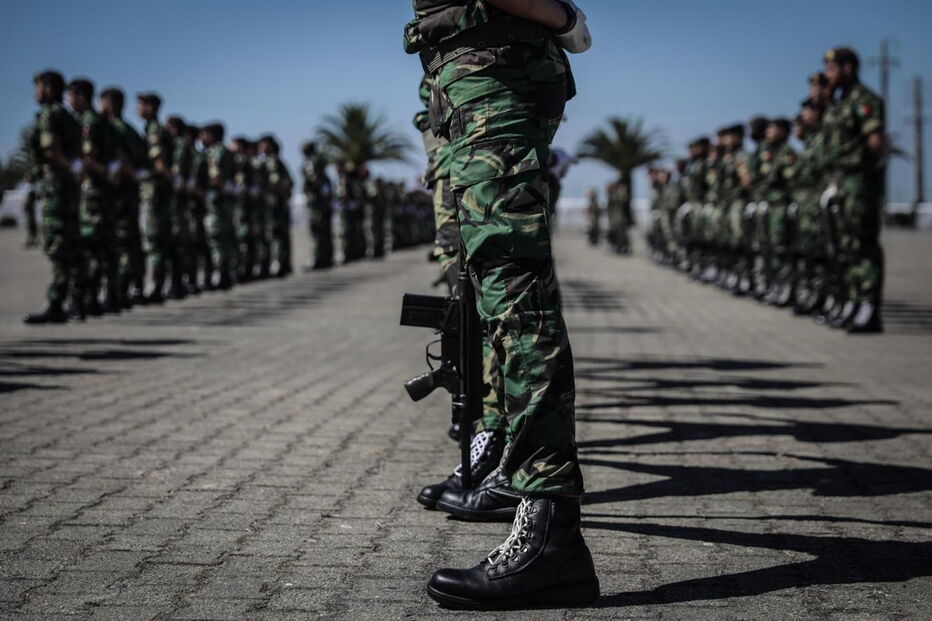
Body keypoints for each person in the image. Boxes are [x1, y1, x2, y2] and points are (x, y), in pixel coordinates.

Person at [404, 0, 598, 609]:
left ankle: (549, 530)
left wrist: (565, 20)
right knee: (498, 298)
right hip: (478, 86)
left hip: (495, 84)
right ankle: (526, 492)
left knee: (517, 302)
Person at [821, 46, 885, 333]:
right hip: (840, 183)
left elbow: (876, 143)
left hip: (858, 182)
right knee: (846, 247)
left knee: (862, 245)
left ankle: (869, 308)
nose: (827, 75)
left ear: (848, 68)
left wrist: (867, 176)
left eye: (832, 69)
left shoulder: (864, 99)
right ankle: (854, 302)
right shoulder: (838, 104)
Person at [23, 70, 81, 324]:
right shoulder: (68, 116)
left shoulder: (50, 115)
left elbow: (51, 150)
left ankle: (57, 302)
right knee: (71, 243)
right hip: (69, 188)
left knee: (57, 245)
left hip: (56, 187)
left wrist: (66, 168)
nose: (36, 92)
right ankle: (76, 298)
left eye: (38, 86)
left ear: (48, 88)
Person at [67, 78, 120, 315]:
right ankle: (105, 296)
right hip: (106, 192)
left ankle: (85, 299)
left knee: (89, 246)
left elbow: (88, 158)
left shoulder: (88, 122)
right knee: (105, 247)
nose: (69, 100)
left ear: (80, 96)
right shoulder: (105, 123)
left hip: (93, 192)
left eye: (71, 95)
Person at [101, 87, 148, 306]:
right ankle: (132, 287)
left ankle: (119, 290)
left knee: (119, 242)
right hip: (130, 193)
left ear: (109, 104)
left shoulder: (114, 129)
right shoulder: (131, 130)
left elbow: (121, 163)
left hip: (118, 193)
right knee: (131, 241)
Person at [137, 92, 176, 304]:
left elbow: (160, 164)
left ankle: (155, 287)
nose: (137, 109)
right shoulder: (157, 129)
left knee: (153, 241)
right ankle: (158, 285)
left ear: (150, 107)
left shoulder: (154, 130)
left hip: (154, 193)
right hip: (159, 193)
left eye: (141, 104)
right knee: (159, 240)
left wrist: (169, 181)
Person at [200, 123, 236, 289]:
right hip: (226, 203)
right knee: (226, 239)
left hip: (215, 203)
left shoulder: (215, 151)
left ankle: (220, 274)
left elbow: (215, 178)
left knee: (216, 240)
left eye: (204, 134)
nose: (202, 138)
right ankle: (226, 273)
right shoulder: (227, 151)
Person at [258, 135, 293, 277]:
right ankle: (283, 263)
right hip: (279, 204)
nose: (261, 147)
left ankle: (279, 263)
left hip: (275, 205)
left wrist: (277, 197)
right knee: (281, 235)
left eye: (264, 144)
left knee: (276, 234)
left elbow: (276, 182)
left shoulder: (272, 161)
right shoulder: (278, 161)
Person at [300, 141, 334, 270]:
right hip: (322, 202)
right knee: (324, 231)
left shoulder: (310, 162)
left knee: (317, 231)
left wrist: (319, 191)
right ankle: (326, 258)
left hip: (315, 202)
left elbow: (314, 178)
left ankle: (318, 259)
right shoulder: (319, 162)